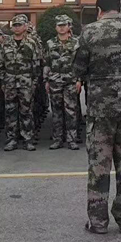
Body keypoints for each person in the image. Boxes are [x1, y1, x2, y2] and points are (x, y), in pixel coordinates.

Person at [73, 0, 121, 235]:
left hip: (101, 109)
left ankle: (98, 222)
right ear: (120, 7)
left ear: (99, 10)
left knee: (99, 166)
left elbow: (78, 68)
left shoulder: (90, 32)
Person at [0, 15, 41, 152]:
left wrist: (34, 82)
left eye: (19, 25)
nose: (17, 28)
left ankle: (27, 139)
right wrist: (3, 81)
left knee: (26, 111)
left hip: (26, 81)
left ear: (25, 27)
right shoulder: (6, 43)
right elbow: (0, 64)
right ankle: (11, 140)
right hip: (10, 81)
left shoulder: (32, 43)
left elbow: (36, 64)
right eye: (14, 25)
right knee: (10, 111)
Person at [45, 15, 80, 150]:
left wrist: (79, 80)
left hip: (70, 80)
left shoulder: (76, 42)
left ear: (69, 26)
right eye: (59, 25)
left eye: (64, 25)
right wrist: (46, 80)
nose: (61, 28)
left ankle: (72, 139)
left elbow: (79, 63)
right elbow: (47, 62)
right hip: (54, 80)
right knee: (56, 111)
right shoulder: (50, 43)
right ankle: (57, 139)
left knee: (71, 111)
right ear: (55, 27)